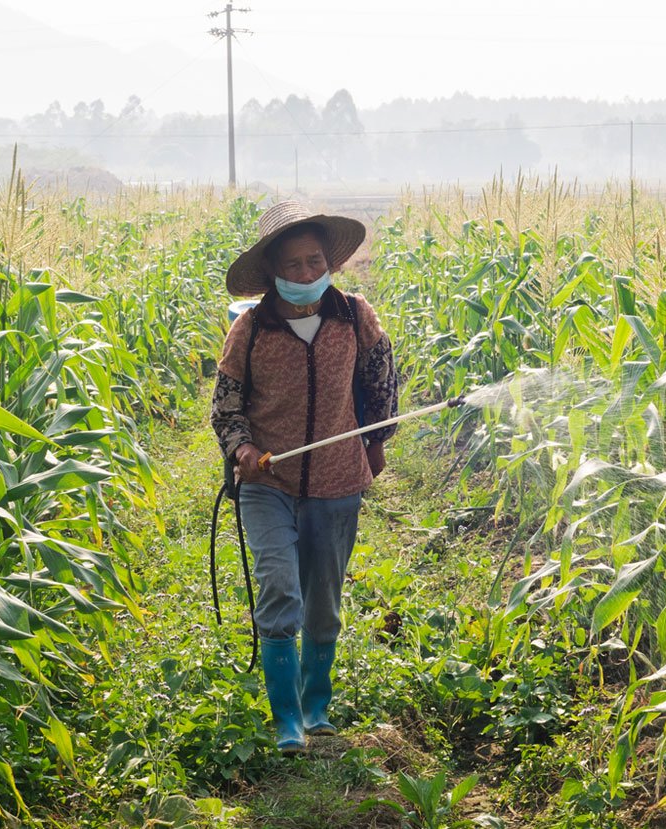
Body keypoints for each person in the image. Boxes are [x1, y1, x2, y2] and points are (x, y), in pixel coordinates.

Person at [209, 199, 398, 755]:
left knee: (323, 603)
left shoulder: (354, 315)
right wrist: (241, 446)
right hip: (269, 483)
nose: (306, 273)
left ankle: (317, 705)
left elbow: (382, 381)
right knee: (280, 591)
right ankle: (287, 718)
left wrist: (376, 442)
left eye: (315, 261)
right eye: (292, 265)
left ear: (328, 262)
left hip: (338, 482)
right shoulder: (250, 328)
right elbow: (226, 406)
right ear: (272, 271)